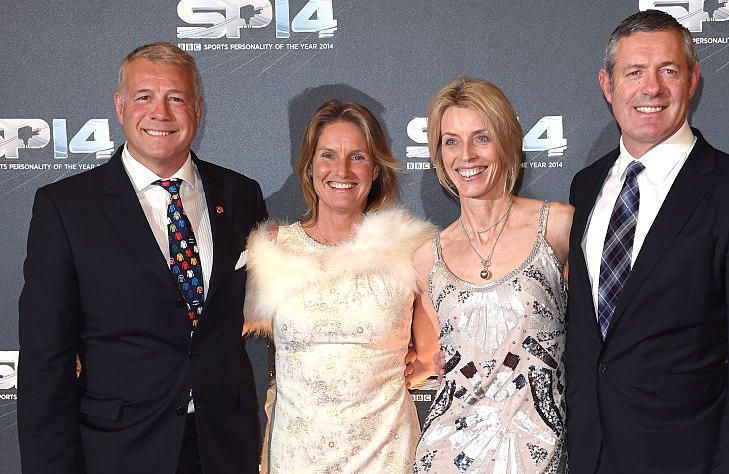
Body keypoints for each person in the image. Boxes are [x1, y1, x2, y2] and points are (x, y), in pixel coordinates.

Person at [17, 42, 266, 474]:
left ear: (198, 108)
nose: (161, 113)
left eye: (176, 98)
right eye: (144, 97)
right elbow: (45, 361)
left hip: (225, 448)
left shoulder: (241, 196)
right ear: (119, 105)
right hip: (118, 451)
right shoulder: (66, 208)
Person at [565, 10, 729, 474]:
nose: (651, 88)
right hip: (589, 456)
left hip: (688, 459)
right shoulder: (585, 186)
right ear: (607, 86)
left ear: (693, 81)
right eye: (634, 72)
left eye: (668, 70)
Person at [243, 100, 434, 472]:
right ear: (310, 167)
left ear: (376, 168)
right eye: (328, 155)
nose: (341, 170)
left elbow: (430, 357)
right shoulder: (273, 249)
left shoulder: (410, 250)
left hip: (386, 456)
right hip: (297, 458)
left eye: (358, 157)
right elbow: (215, 335)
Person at [411, 78, 574, 473]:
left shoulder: (558, 226)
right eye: (451, 141)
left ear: (506, 141)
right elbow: (443, 365)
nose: (466, 155)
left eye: (481, 137)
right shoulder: (426, 259)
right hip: (447, 457)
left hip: (542, 456)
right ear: (437, 153)